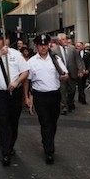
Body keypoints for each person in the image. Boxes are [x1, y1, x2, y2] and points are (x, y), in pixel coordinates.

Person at [0, 29, 29, 166]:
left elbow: (25, 72)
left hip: (14, 93)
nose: (2, 41)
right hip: (0, 94)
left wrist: (16, 82)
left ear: (9, 40)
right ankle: (5, 152)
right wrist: (0, 53)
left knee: (13, 121)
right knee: (3, 122)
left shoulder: (16, 54)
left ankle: (10, 144)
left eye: (5, 38)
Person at [24, 34, 68, 165]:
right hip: (40, 96)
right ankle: (49, 151)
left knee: (53, 123)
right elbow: (27, 80)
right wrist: (27, 97)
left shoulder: (55, 59)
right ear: (36, 46)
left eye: (45, 44)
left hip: (54, 95)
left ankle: (47, 140)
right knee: (45, 122)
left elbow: (64, 74)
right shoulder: (31, 62)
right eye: (40, 45)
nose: (43, 47)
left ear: (48, 45)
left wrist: (65, 77)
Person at [51, 33, 84, 114]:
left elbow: (78, 60)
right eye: (63, 39)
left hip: (72, 73)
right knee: (62, 91)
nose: (65, 41)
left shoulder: (72, 48)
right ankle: (63, 107)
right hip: (61, 74)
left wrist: (80, 70)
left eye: (65, 39)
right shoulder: (54, 50)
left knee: (72, 90)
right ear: (59, 41)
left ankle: (70, 102)